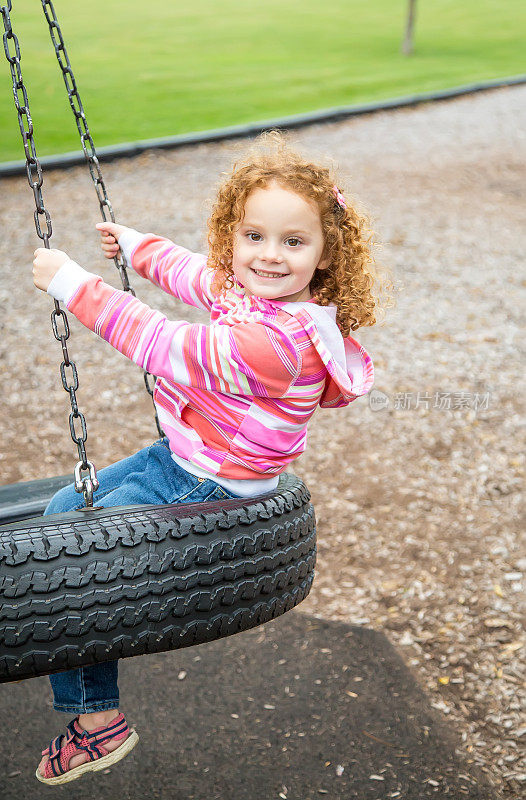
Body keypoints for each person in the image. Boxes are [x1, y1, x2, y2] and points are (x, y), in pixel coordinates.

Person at [31, 132, 390, 784]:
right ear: (234, 234)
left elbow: (161, 342)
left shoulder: (278, 342)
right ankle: (91, 703)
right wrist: (136, 246)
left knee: (81, 555)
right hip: (185, 458)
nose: (269, 257)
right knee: (61, 513)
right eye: (253, 237)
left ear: (325, 251)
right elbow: (195, 273)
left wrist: (71, 283)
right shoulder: (254, 293)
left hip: (215, 490)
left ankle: (95, 725)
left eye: (293, 242)